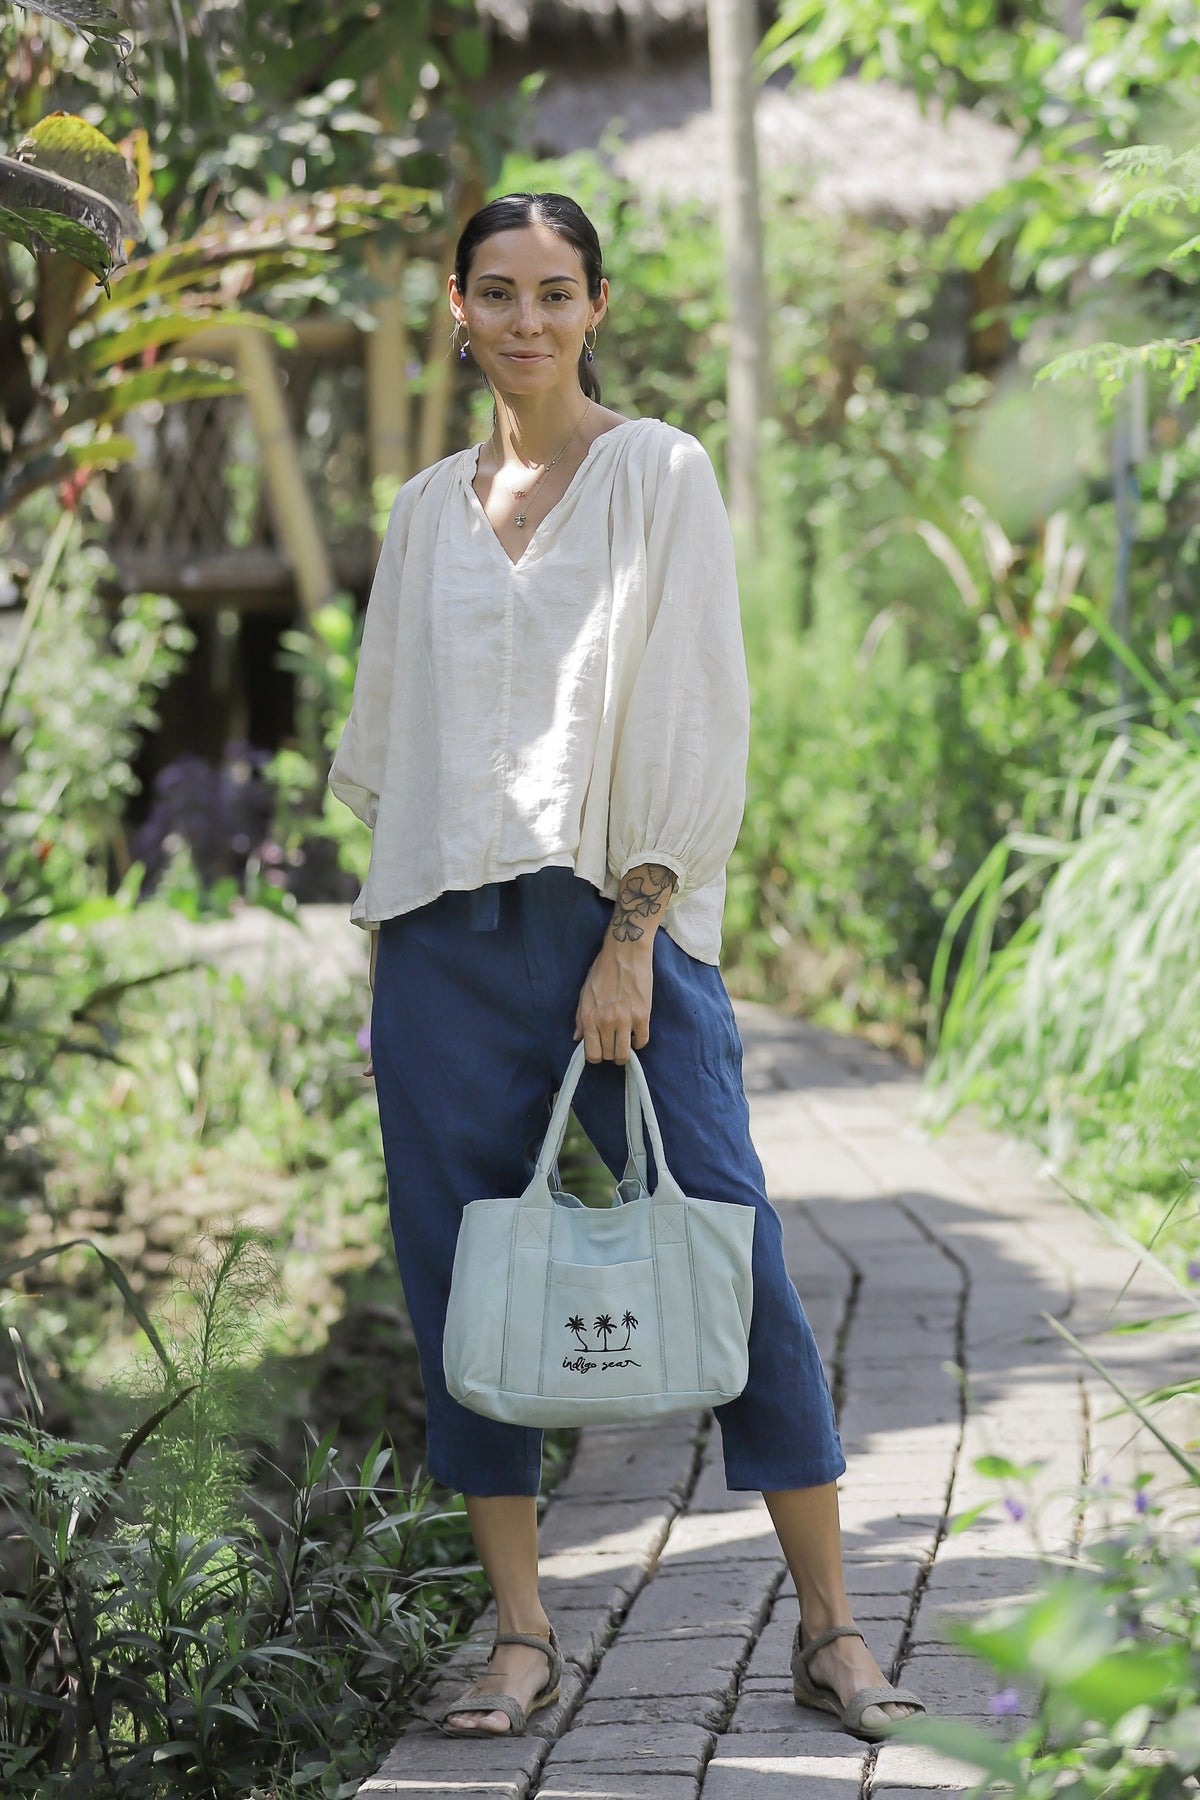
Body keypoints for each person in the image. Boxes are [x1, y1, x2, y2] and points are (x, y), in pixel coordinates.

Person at [327, 191, 926, 1742]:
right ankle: (523, 1636)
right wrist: (393, 966)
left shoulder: (659, 474)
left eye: (556, 292)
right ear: (454, 306)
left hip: (615, 930)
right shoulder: (418, 512)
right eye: (498, 292)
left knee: (732, 1249)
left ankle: (834, 1630)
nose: (526, 319)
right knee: (465, 1279)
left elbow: (694, 711)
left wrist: (635, 928)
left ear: (597, 308)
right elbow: (397, 746)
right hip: (444, 946)